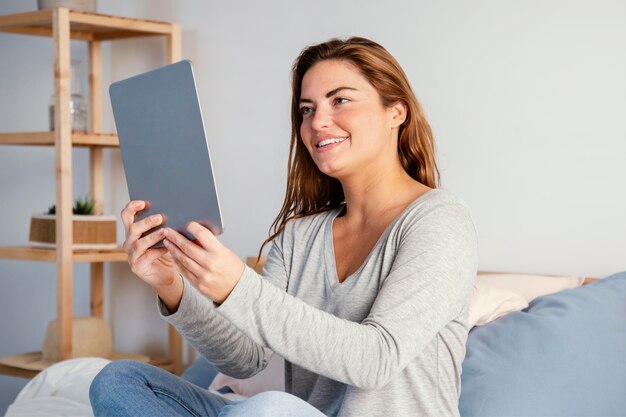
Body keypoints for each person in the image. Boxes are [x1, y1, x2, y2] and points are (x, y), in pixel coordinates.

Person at [89, 36, 478, 417]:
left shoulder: (438, 219)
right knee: (119, 380)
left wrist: (238, 287)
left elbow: (376, 359)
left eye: (340, 100)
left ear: (397, 112)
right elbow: (247, 359)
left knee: (268, 408)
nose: (318, 121)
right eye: (307, 109)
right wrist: (171, 286)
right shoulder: (301, 235)